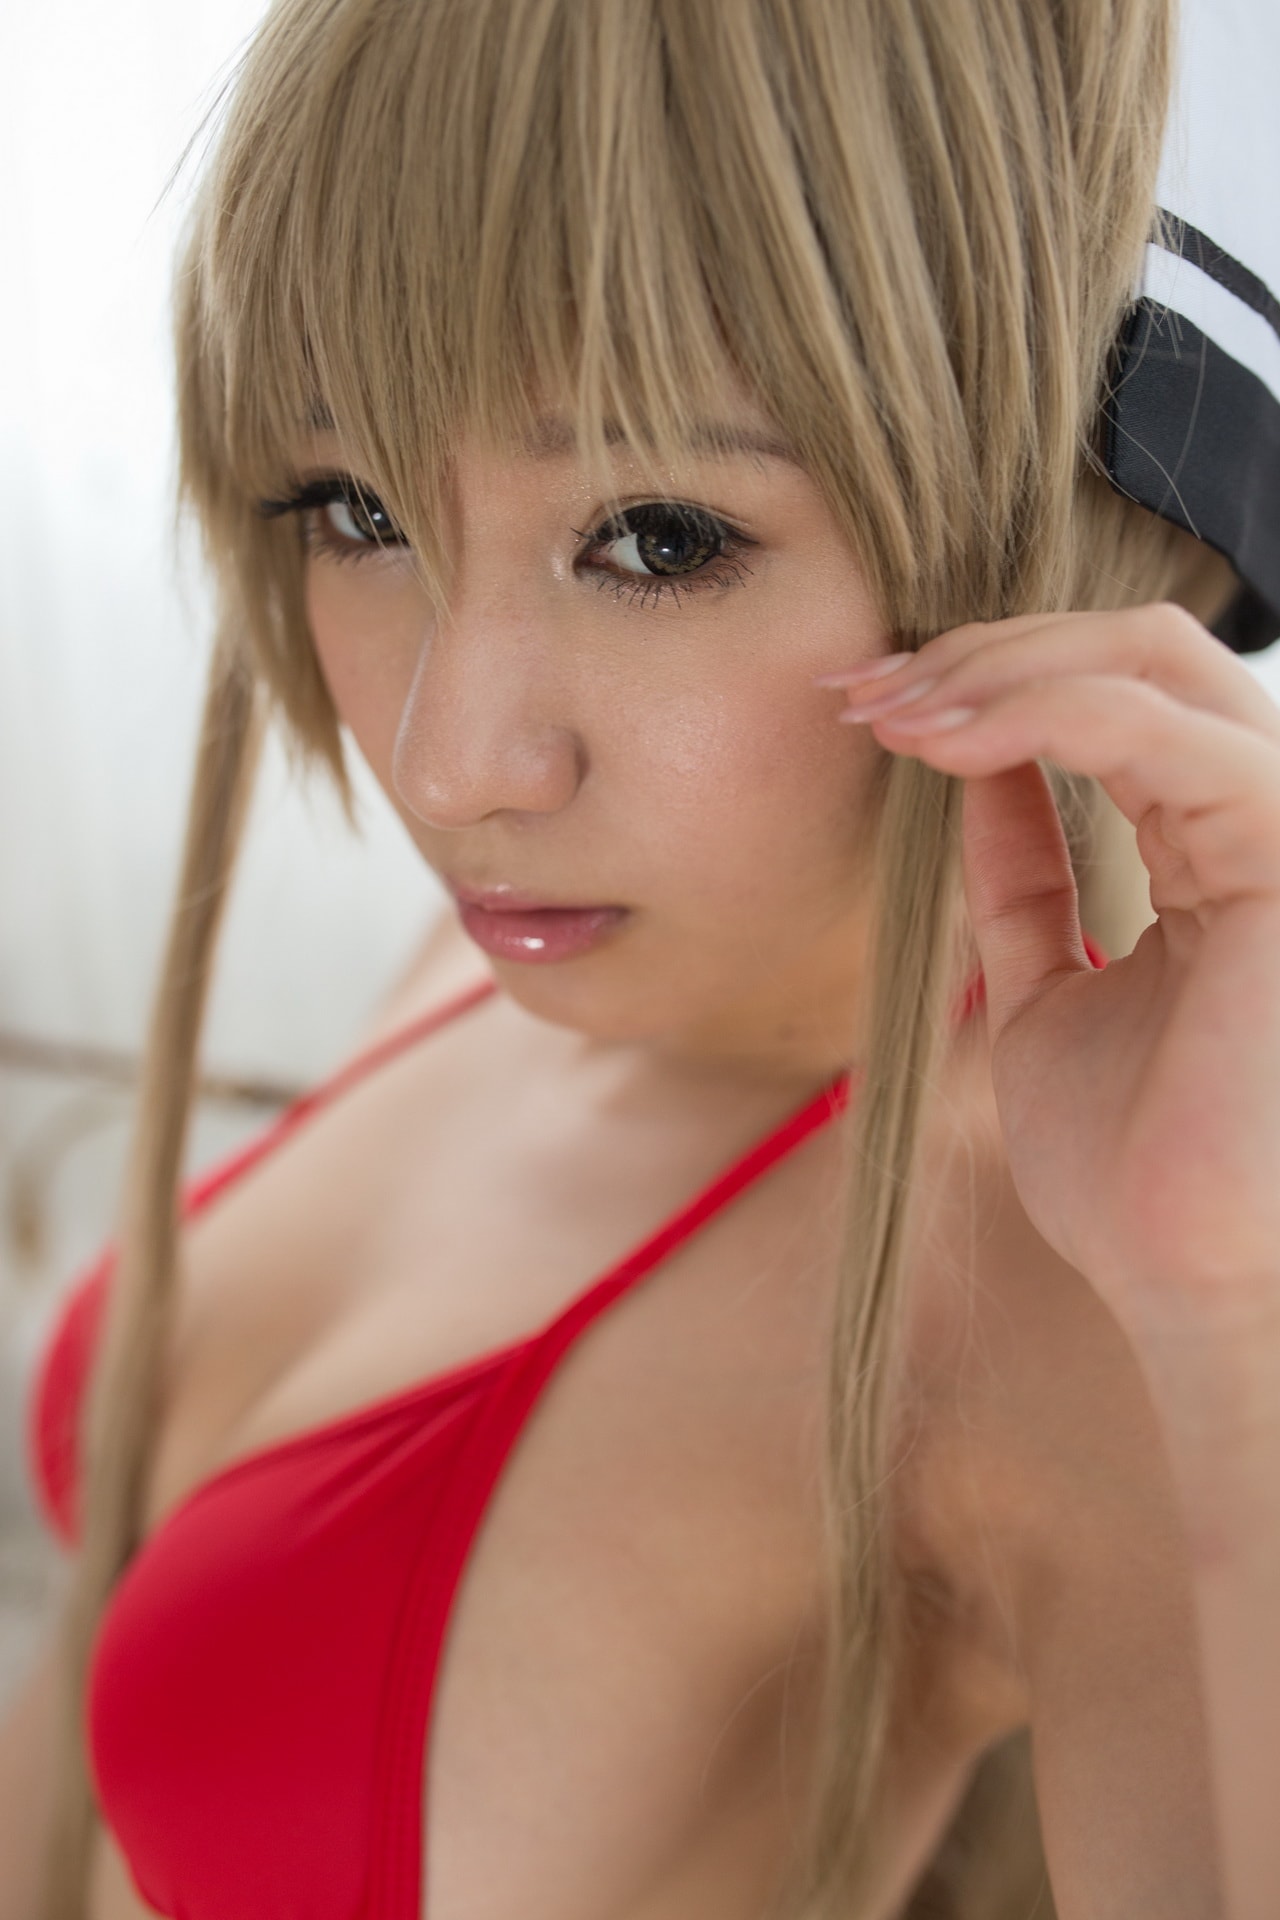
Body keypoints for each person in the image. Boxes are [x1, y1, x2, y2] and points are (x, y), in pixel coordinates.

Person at [3, 1, 1279, 1917]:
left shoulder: (1055, 1305)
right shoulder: (513, 960)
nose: (447, 763)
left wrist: (1232, 1328)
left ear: (1064, 558)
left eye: (660, 539)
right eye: (358, 510)